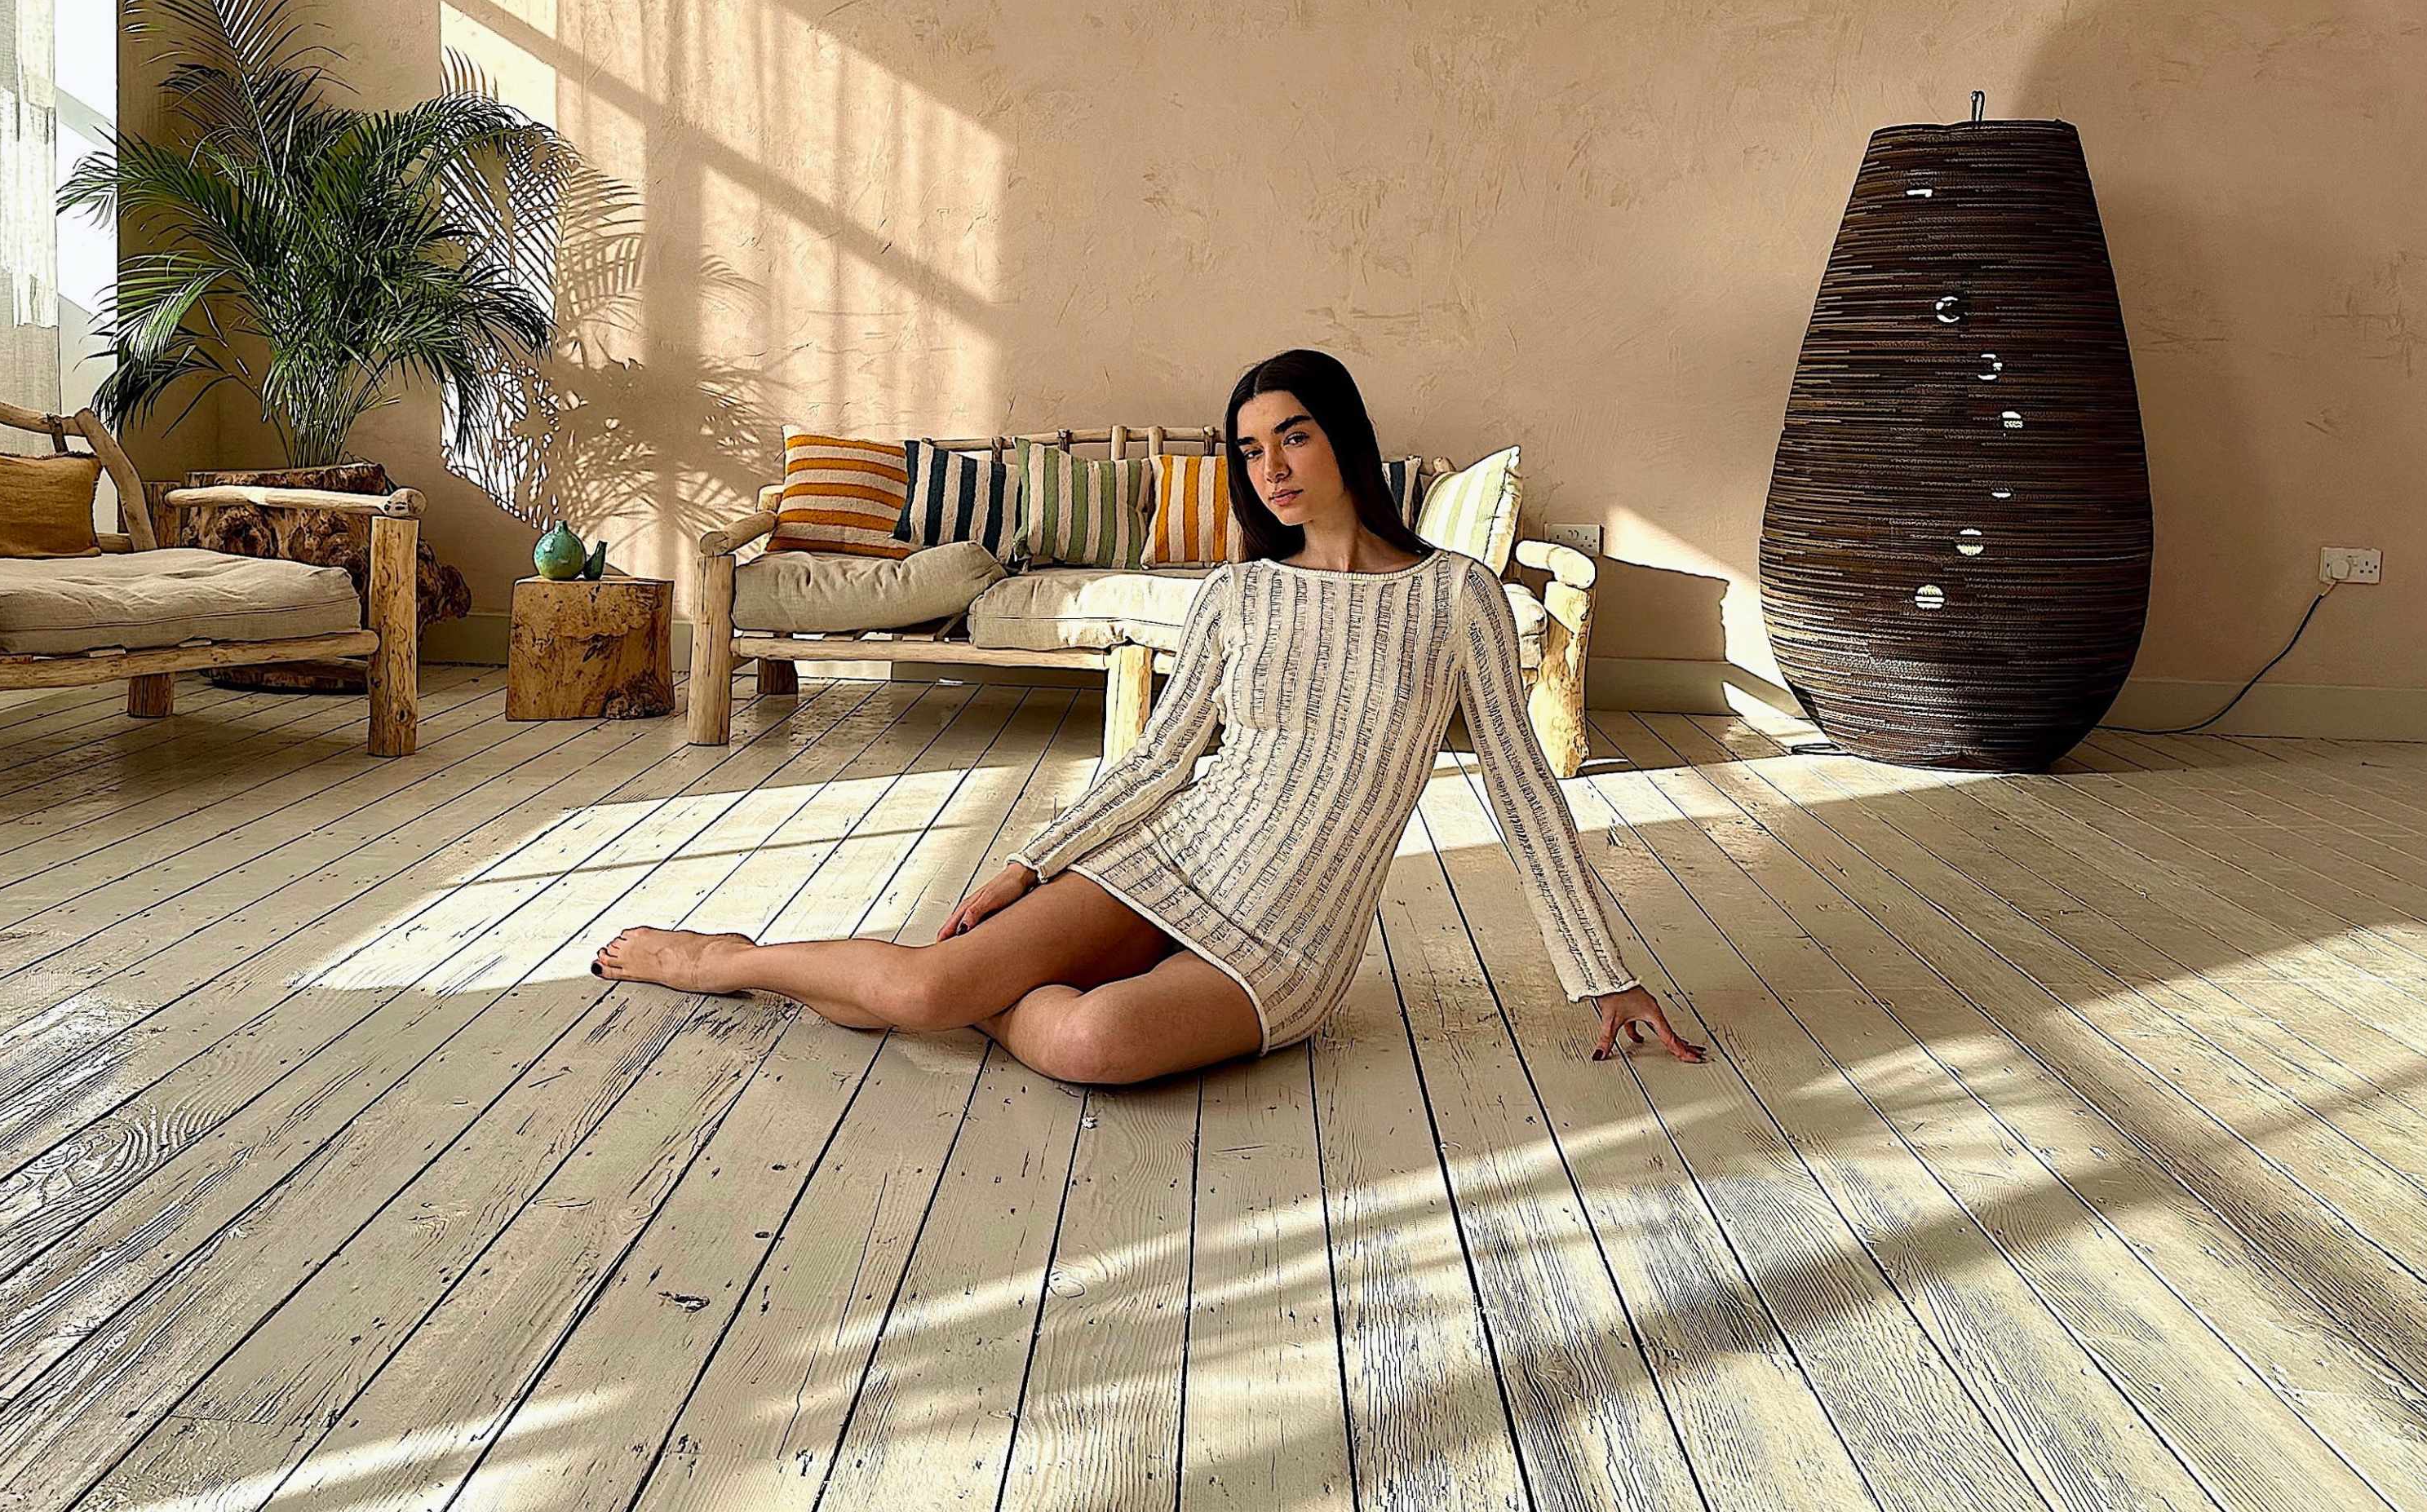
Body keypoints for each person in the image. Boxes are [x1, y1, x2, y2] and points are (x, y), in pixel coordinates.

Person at [594, 349, 1707, 1085]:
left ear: (1347, 440)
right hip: (1170, 856)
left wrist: (1604, 971)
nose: (1270, 467)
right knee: (928, 984)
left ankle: (950, 990)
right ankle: (720, 960)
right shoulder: (1241, 592)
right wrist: (1029, 869)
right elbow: (1162, 762)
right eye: (1251, 449)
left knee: (1087, 1040)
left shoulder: (1453, 594)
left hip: (1290, 935)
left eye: (1295, 437)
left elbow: (1522, 788)